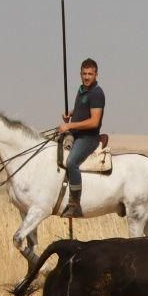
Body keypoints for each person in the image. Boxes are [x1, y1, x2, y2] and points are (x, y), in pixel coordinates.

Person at [58, 58, 105, 218]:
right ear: (80, 74)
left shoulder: (97, 93)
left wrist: (69, 126)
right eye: (84, 73)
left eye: (90, 74)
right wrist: (71, 113)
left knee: (72, 162)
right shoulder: (82, 90)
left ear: (96, 74)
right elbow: (83, 109)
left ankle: (75, 204)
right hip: (77, 134)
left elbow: (94, 121)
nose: (86, 77)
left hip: (89, 138)